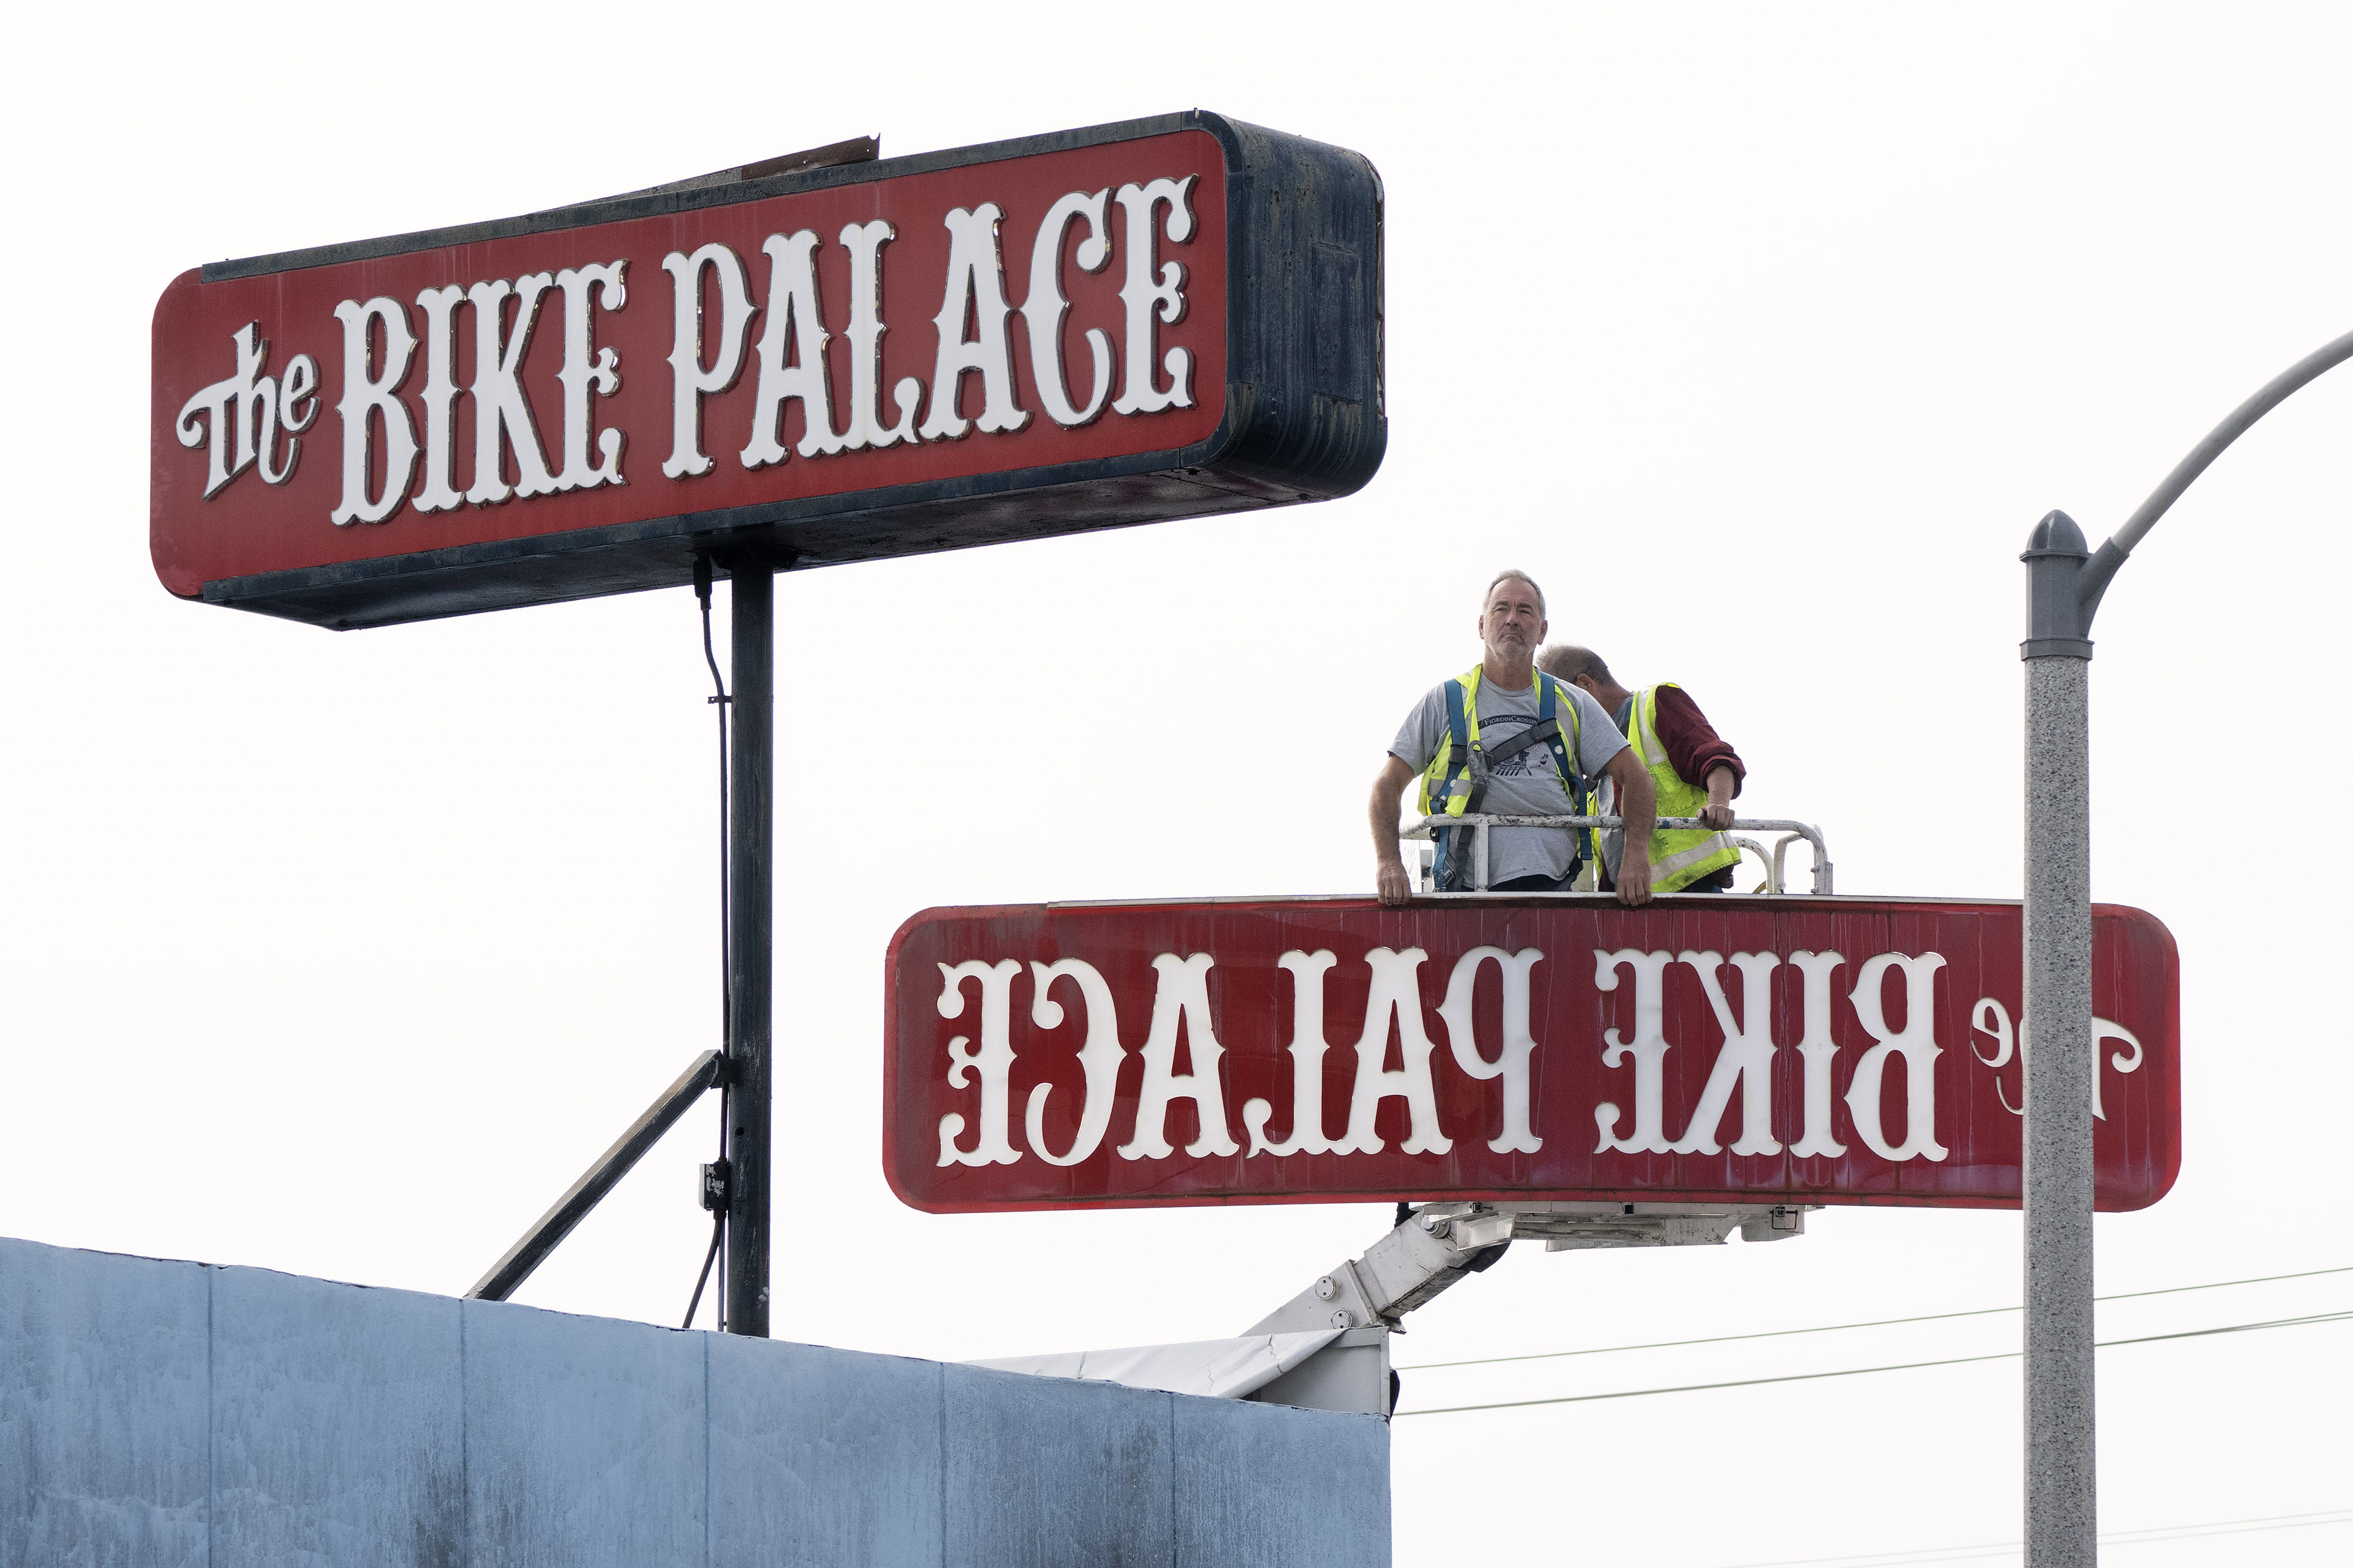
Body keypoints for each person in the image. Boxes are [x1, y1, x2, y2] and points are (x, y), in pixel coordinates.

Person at [1371, 573, 1656, 906]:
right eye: (1501, 609)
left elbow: (1637, 777)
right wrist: (1388, 862)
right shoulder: (1446, 701)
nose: (1512, 620)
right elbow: (1386, 786)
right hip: (1464, 891)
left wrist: (1636, 857)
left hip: (1553, 891)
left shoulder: (1572, 703)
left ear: (1542, 631)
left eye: (1525, 611)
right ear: (1482, 627)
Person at [1534, 644, 1746, 894]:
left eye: (1563, 706)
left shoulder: (1655, 703)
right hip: (1631, 897)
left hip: (1691, 891)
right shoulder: (1593, 759)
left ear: (1584, 686)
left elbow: (1715, 758)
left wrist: (1718, 805)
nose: (1562, 719)